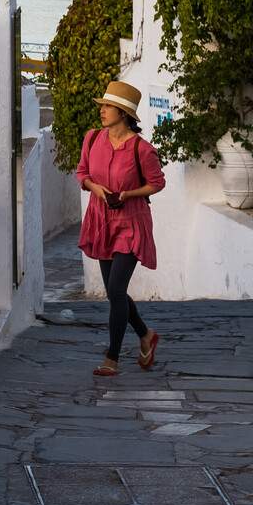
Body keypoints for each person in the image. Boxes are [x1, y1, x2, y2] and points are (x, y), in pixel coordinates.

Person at [76, 80, 167, 377]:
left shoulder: (142, 149)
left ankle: (111, 359)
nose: (102, 110)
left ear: (124, 113)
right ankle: (145, 335)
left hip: (130, 222)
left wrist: (128, 194)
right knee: (114, 293)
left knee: (116, 289)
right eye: (102, 105)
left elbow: (157, 183)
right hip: (101, 220)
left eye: (108, 106)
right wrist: (97, 189)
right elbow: (83, 174)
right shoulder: (92, 139)